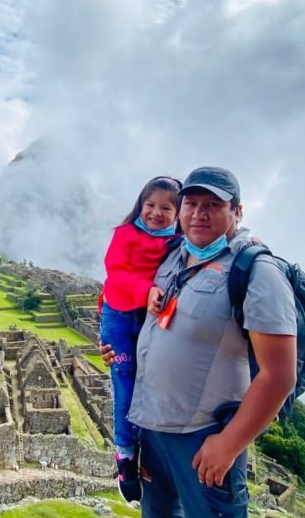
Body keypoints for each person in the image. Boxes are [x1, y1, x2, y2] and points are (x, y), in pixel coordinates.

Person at [101, 166, 297, 517]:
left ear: (237, 211)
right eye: (190, 203)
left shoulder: (258, 272)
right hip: (152, 430)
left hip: (203, 437)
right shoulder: (173, 256)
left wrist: (229, 445)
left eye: (213, 204)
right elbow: (133, 300)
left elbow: (280, 375)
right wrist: (121, 349)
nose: (198, 213)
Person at [100, 175, 182, 502]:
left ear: (178, 213)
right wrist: (145, 291)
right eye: (150, 205)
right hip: (120, 316)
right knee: (124, 380)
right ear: (139, 204)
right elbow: (115, 274)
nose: (155, 213)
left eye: (166, 207)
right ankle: (125, 455)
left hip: (150, 320)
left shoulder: (178, 242)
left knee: (150, 382)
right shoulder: (126, 234)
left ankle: (146, 450)